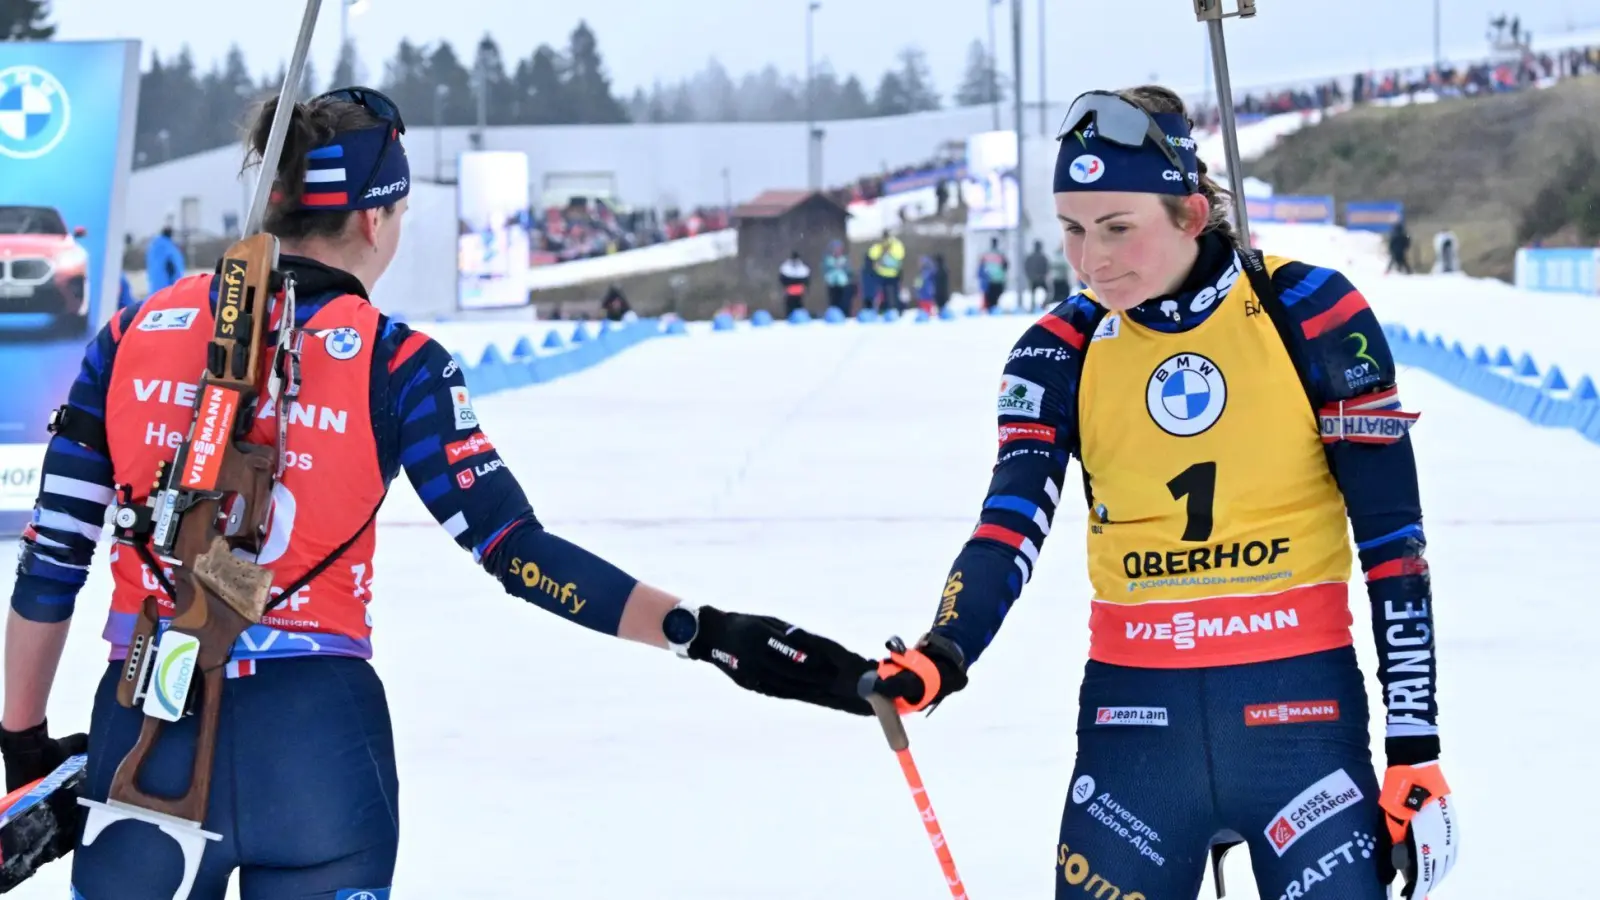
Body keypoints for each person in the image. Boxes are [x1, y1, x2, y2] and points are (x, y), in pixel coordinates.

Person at [0, 87, 871, 900]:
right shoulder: (398, 361)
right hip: (315, 750)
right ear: (374, 218)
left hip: (143, 734)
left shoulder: (132, 333)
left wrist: (24, 744)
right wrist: (701, 632)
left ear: (272, 200)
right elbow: (517, 552)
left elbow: (52, 562)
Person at [838, 86, 1461, 900]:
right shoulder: (1057, 350)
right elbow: (1010, 523)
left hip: (1299, 725)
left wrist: (1415, 747)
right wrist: (944, 649)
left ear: (1192, 214)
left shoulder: (1310, 311)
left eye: (1118, 228)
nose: (1092, 260)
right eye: (1071, 230)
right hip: (1136, 735)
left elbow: (1392, 547)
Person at [868, 229, 906, 314]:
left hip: (885, 273)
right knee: (892, 294)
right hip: (892, 273)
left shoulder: (886, 245)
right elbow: (900, 255)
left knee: (887, 294)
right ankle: (895, 310)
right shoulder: (894, 244)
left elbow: (871, 254)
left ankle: (889, 310)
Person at [144, 225, 185, 295]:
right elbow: (175, 268)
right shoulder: (170, 248)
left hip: (154, 288)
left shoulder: (153, 247)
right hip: (168, 289)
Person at [977, 236, 1008, 312]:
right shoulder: (1001, 254)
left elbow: (981, 265)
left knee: (990, 296)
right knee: (996, 295)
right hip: (998, 278)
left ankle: (991, 308)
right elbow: (1006, 265)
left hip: (989, 279)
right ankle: (993, 308)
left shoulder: (986, 254)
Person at [822, 239, 854, 313]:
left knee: (844, 303)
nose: (837, 251)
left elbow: (849, 271)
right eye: (835, 249)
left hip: (843, 284)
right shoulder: (828, 260)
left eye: (838, 249)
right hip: (832, 285)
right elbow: (824, 271)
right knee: (834, 303)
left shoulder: (845, 260)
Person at [778, 249, 812, 315]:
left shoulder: (788, 267)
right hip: (795, 291)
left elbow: (782, 279)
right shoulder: (788, 267)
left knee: (793, 307)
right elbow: (806, 280)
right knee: (795, 306)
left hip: (794, 291)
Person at [1024, 239, 1050, 311]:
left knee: (1033, 294)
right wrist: (1043, 275)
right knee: (1048, 292)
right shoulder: (1043, 257)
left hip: (1033, 279)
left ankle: (1032, 307)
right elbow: (1047, 267)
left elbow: (1026, 267)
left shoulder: (1030, 257)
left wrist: (1030, 276)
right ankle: (1043, 305)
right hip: (1041, 278)